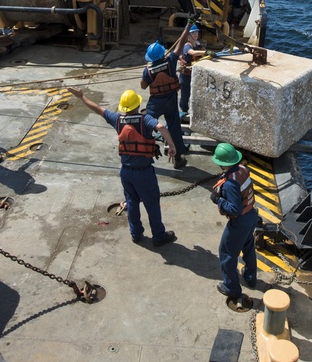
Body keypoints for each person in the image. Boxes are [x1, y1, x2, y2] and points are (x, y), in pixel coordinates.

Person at [68, 86, 178, 247]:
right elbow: (160, 127)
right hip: (144, 173)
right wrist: (172, 145)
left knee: (131, 201)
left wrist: (81, 97)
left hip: (126, 172)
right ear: (136, 105)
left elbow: (98, 109)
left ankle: (136, 233)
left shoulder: (117, 120)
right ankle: (158, 236)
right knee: (151, 203)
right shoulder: (144, 120)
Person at [210, 142, 258, 302]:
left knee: (226, 253)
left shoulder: (230, 183)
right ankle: (251, 277)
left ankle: (231, 287)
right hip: (251, 215)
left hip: (239, 221)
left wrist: (218, 200)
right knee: (248, 245)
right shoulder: (243, 170)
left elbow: (234, 208)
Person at [140, 23, 191, 169]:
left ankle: (142, 151)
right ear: (162, 53)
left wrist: (146, 75)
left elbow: (143, 86)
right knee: (174, 126)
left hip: (156, 102)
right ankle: (178, 158)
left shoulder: (148, 70)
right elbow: (180, 44)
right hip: (170, 100)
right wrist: (187, 26)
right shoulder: (170, 61)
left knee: (146, 123)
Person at [179, 24, 210, 118]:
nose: (195, 34)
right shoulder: (187, 46)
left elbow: (202, 51)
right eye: (193, 33)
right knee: (186, 94)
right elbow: (192, 53)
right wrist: (205, 52)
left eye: (196, 32)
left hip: (195, 74)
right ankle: (184, 112)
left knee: (195, 93)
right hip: (186, 75)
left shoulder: (198, 44)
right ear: (188, 35)